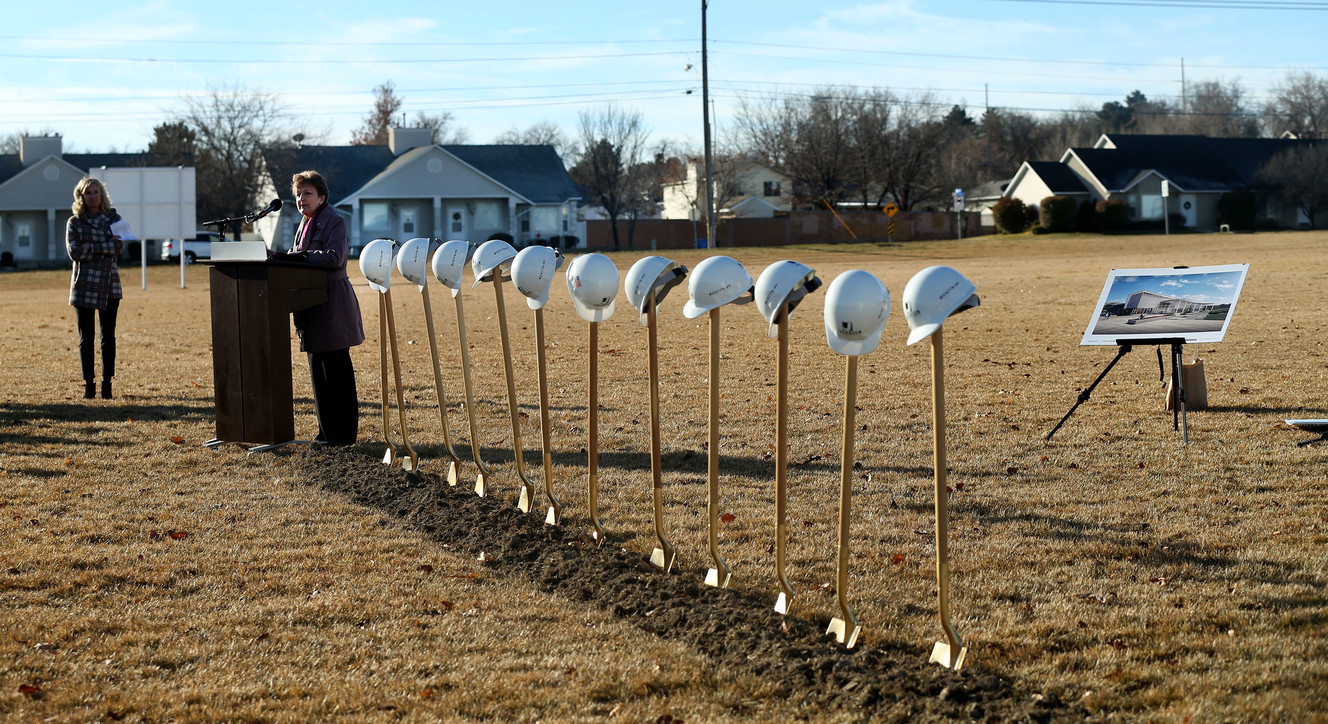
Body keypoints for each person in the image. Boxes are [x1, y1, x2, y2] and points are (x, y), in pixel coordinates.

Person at [283, 170, 365, 446]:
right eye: (298, 194)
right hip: (310, 305)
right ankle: (327, 434)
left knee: (337, 370)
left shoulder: (334, 221)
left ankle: (344, 436)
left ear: (322, 196)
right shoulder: (305, 222)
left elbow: (334, 257)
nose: (301, 199)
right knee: (318, 370)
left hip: (332, 303)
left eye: (307, 193)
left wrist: (298, 257)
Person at [66, 177, 124, 399]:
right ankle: (88, 386)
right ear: (81, 196)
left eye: (96, 191)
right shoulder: (74, 222)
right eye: (88, 192)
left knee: (108, 336)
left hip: (110, 284)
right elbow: (74, 252)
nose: (93, 196)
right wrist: (102, 247)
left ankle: (106, 384)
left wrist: (91, 246)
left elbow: (119, 247)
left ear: (102, 195)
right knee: (85, 338)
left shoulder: (114, 218)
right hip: (83, 285)